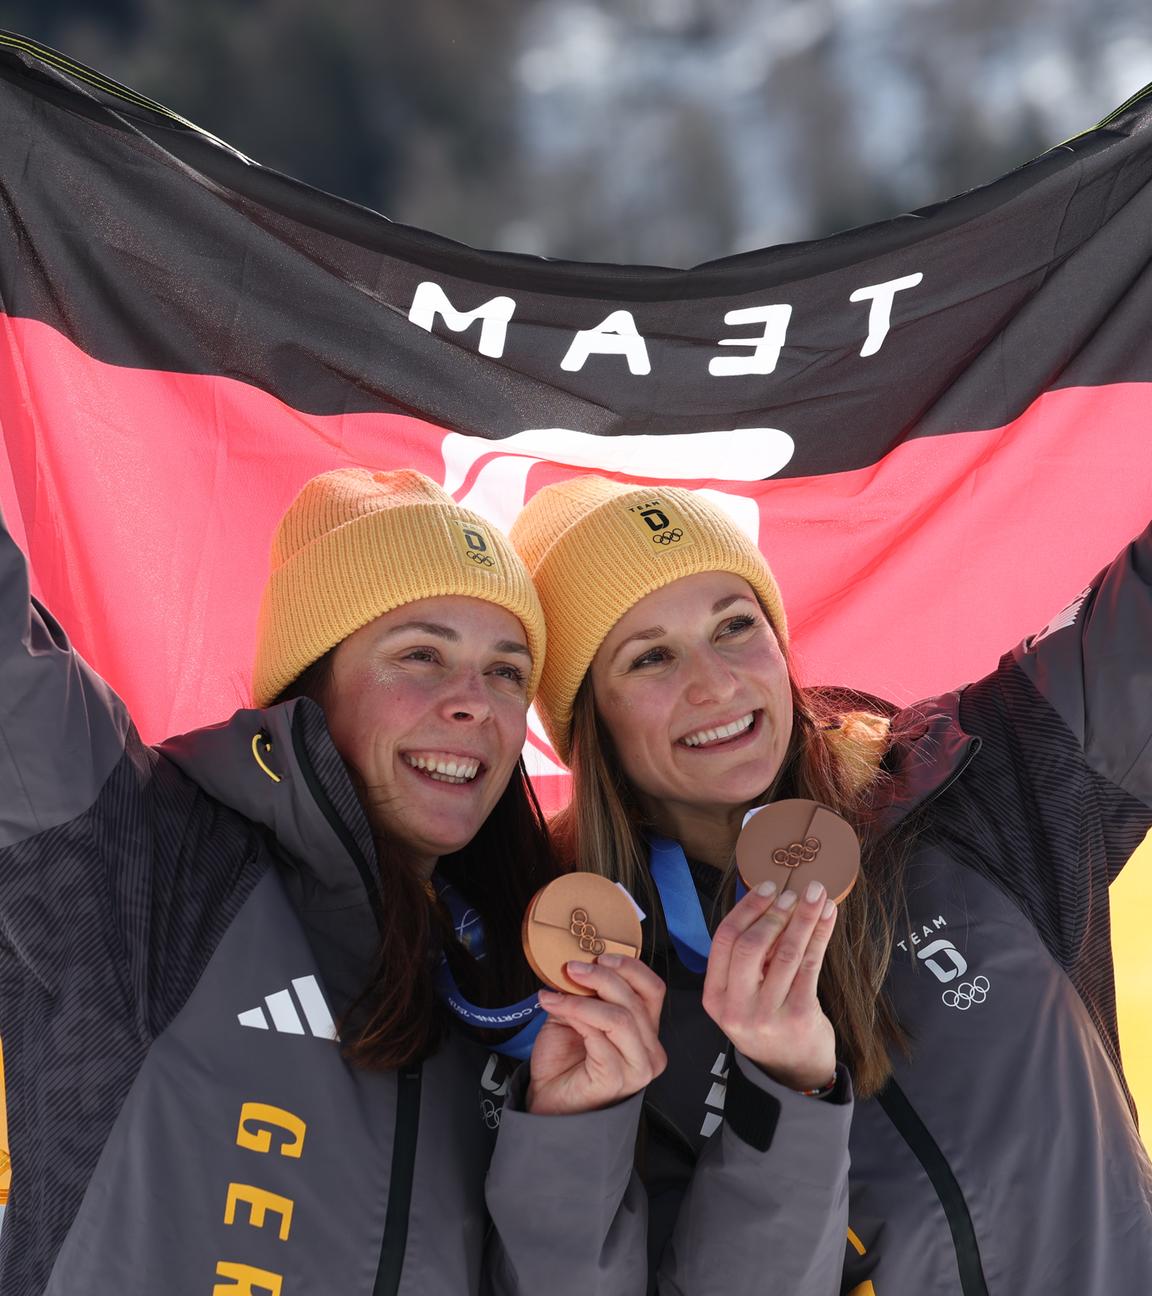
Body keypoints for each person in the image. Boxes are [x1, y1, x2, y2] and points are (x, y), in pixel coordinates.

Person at [0, 466, 664, 1296]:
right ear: (311, 681)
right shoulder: (150, 862)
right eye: (421, 654)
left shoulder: (516, 986)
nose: (476, 704)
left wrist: (570, 1138)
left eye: (506, 672)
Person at [510, 473, 1152, 1296]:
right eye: (651, 657)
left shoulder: (970, 786)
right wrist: (785, 1090)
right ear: (590, 722)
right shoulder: (598, 997)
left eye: (735, 626)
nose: (716, 684)